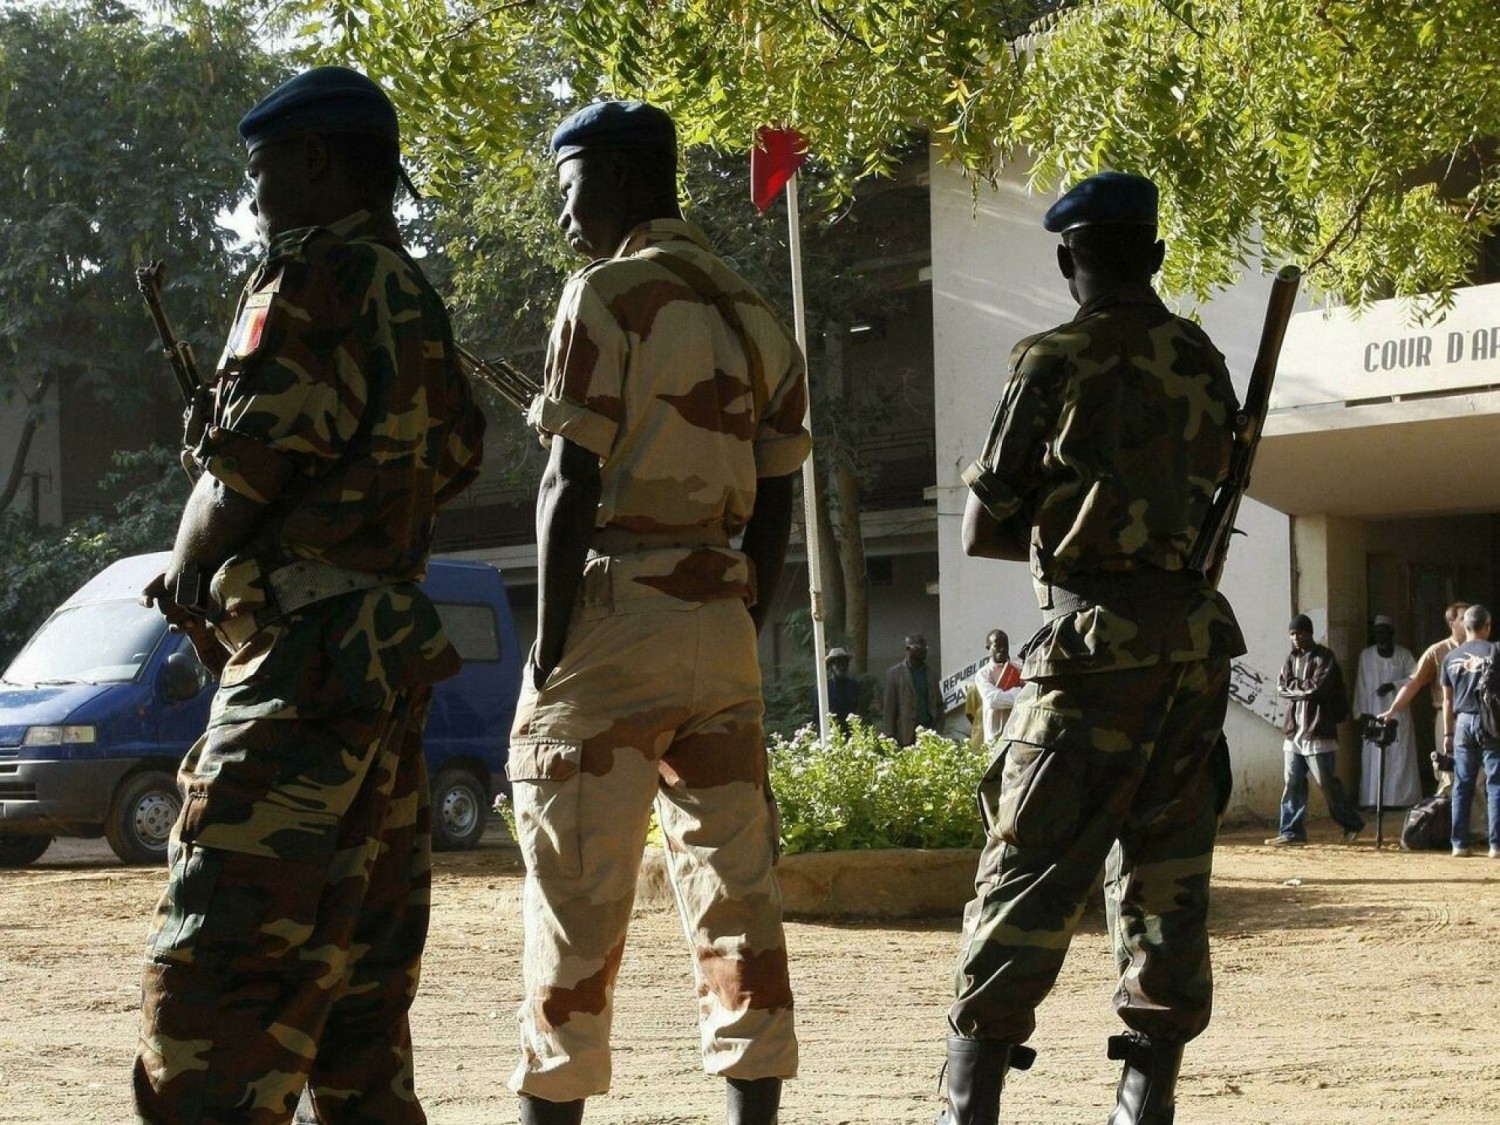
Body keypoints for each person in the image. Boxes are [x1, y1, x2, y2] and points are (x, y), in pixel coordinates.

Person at [132, 66, 485, 1124]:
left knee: (216, 976)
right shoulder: (409, 294)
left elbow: (245, 460)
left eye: (266, 167)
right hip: (382, 665)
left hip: (302, 662)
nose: (257, 193)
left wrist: (192, 564)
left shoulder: (313, 277)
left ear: (320, 161)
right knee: (357, 1002)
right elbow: (459, 450)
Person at [505, 100, 807, 1125]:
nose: (561, 216)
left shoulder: (606, 294)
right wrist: (739, 619)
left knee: (573, 912)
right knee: (740, 909)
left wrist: (550, 651)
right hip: (721, 625)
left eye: (568, 187)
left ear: (621, 179)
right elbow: (780, 498)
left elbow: (566, 484)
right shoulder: (761, 316)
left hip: (614, 619)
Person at [942, 171, 1245, 1125]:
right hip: (1192, 655)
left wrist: (1062, 516)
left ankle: (969, 1105)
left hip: (1088, 652)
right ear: (1154, 256)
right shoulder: (1203, 359)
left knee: (1025, 875)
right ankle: (1141, 1106)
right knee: (1166, 881)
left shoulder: (1051, 358)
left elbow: (980, 529)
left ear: (1068, 258)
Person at [1265, 614, 1365, 847]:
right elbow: (1281, 687)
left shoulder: (1324, 657)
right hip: (1294, 734)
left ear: (1310, 634)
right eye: (1292, 634)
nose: (1295, 638)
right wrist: (1301, 688)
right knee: (1292, 782)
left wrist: (1295, 688)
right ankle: (1291, 831)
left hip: (1318, 731)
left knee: (1326, 782)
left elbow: (1317, 689)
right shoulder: (1290, 659)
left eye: (1299, 633)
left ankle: (1352, 823)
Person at [1378, 601, 1469, 797]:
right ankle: (1446, 824)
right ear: (1451, 622)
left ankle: (1477, 827)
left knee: (1477, 776)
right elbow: (1414, 682)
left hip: (1475, 719)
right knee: (1448, 776)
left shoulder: (1481, 649)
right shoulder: (1437, 652)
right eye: (1463, 618)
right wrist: (1393, 709)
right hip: (1447, 719)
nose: (1469, 621)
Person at [1438, 604, 1500, 858]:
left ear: (1465, 626)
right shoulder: (1495, 652)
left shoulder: (1450, 658)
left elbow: (1447, 701)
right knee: (1495, 784)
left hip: (1462, 722)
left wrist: (1448, 734)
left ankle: (1459, 844)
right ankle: (1495, 845)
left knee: (1462, 784)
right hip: (1492, 723)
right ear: (1487, 626)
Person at [1353, 614, 1419, 807]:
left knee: (1400, 755)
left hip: (1398, 711)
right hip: (1373, 711)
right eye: (1377, 632)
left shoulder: (1404, 655)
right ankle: (1374, 800)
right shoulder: (1366, 656)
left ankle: (1401, 800)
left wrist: (1394, 685)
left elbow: (1415, 678)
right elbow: (1361, 685)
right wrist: (1361, 712)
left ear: (1391, 633)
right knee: (1375, 756)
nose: (1380, 635)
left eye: (1384, 631)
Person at [966, 629, 1024, 748]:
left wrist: (1005, 697)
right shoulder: (983, 674)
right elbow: (993, 700)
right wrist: (1019, 693)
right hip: (994, 736)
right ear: (988, 648)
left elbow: (1030, 695)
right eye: (997, 646)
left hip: (1018, 732)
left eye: (1005, 646)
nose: (1002, 649)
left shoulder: (1019, 670)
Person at [883, 633, 941, 747]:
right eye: (919, 648)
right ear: (908, 649)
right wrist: (889, 736)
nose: (924, 651)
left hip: (928, 731)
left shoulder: (931, 674)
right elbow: (889, 708)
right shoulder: (894, 674)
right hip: (904, 735)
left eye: (926, 648)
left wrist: (939, 727)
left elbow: (938, 703)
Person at [816, 646, 863, 733]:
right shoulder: (823, 688)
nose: (842, 667)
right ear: (831, 667)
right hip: (830, 733)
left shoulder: (854, 686)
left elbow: (859, 710)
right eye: (838, 663)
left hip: (851, 732)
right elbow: (817, 715)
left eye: (844, 662)